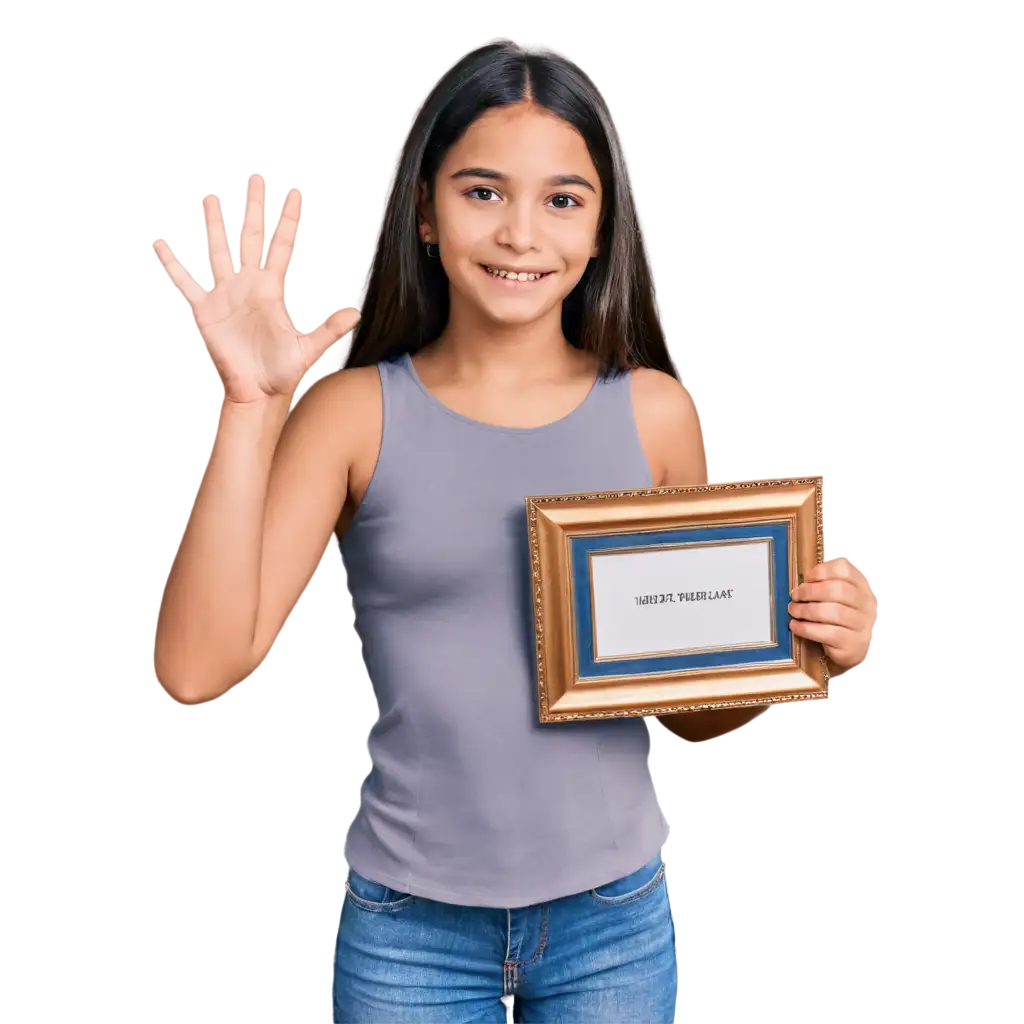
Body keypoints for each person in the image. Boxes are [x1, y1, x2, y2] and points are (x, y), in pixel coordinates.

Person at [152, 42, 877, 1024]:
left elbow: (689, 706)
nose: (521, 233)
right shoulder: (354, 414)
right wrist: (249, 403)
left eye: (562, 199)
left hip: (610, 922)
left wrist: (807, 639)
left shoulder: (653, 413)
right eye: (483, 192)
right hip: (409, 930)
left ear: (599, 226)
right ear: (424, 209)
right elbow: (198, 667)